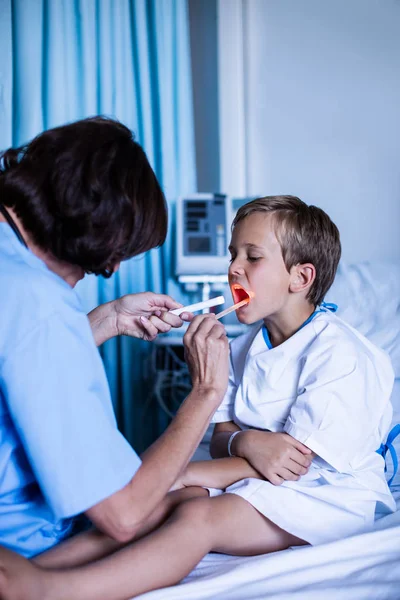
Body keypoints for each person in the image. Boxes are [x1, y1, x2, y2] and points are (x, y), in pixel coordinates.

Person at [0, 195, 395, 600]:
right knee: (166, 502)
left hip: (324, 495)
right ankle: (31, 568)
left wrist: (186, 473)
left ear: (301, 277)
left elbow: (288, 465)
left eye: (252, 257)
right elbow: (223, 435)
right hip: (256, 479)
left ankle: (51, 588)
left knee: (197, 514)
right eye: (232, 254)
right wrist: (244, 441)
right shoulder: (242, 347)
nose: (233, 268)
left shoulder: (340, 354)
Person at [0, 116, 233, 567]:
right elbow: (122, 514)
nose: (106, 271)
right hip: (22, 550)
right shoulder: (41, 305)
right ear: (97, 240)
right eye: (110, 261)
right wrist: (206, 393)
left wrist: (107, 318)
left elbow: (20, 364)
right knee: (193, 505)